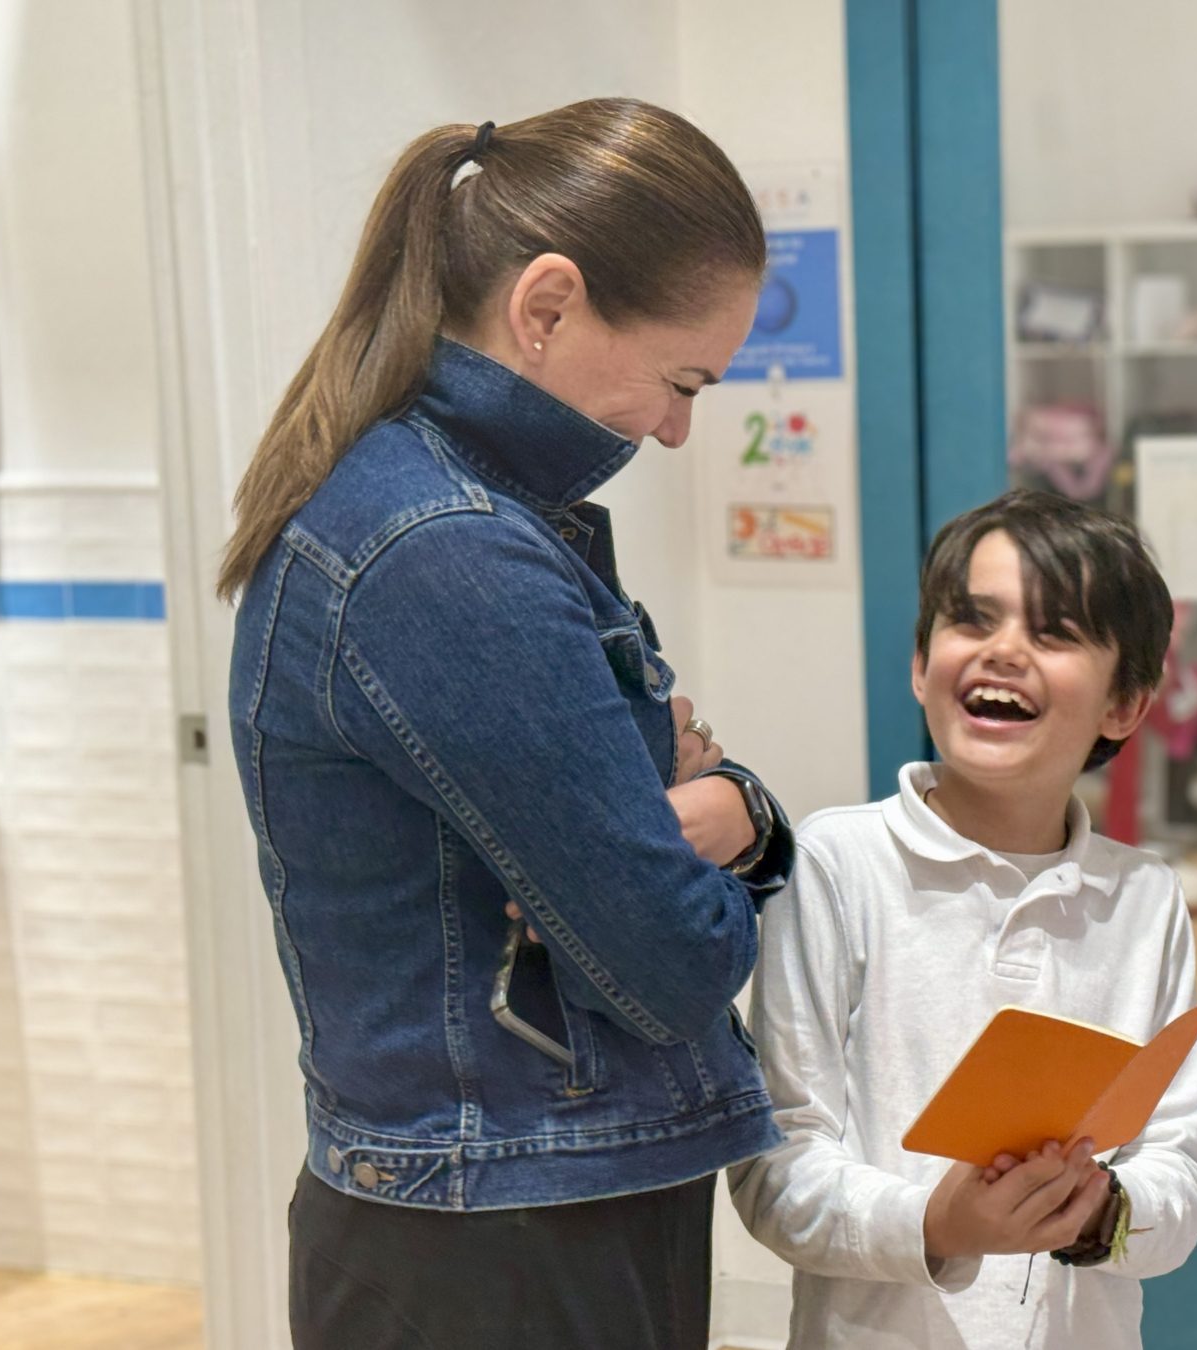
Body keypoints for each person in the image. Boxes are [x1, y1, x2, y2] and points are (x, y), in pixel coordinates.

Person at [218, 100, 795, 1349]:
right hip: (505, 1239)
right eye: (682, 379)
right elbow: (666, 962)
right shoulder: (447, 551)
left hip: (516, 1205)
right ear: (544, 306)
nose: (681, 426)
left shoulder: (448, 510)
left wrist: (725, 811)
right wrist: (693, 843)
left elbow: (642, 853)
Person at [731, 490, 1197, 1349]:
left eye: (1055, 632)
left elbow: (1177, 1172)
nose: (1003, 652)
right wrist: (938, 1223)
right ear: (922, 664)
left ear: (1125, 706)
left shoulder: (1145, 898)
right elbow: (775, 1173)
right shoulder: (837, 864)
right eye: (973, 621)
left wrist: (1104, 1214)